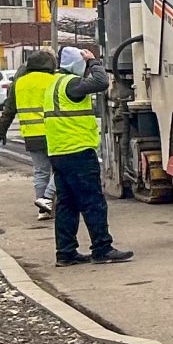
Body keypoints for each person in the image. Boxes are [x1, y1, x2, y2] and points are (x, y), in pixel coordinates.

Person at [40, 46, 131, 266]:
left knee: (67, 204)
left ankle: (65, 252)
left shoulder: (54, 84)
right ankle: (102, 248)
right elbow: (101, 82)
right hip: (78, 152)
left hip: (59, 152)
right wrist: (93, 62)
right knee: (93, 202)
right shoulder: (71, 84)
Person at [0, 49, 58, 218]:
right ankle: (46, 198)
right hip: (54, 133)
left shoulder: (19, 83)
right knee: (61, 169)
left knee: (40, 171)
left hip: (31, 135)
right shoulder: (54, 81)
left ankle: (43, 209)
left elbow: (8, 111)